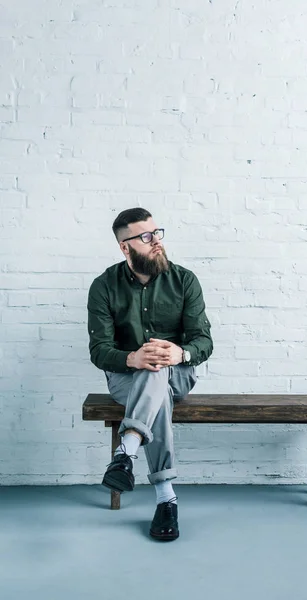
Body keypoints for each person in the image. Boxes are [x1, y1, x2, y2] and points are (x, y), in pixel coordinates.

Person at [87, 207, 213, 541]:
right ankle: (166, 499)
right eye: (145, 236)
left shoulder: (184, 280)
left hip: (179, 376)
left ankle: (125, 452)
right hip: (124, 379)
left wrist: (181, 353)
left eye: (157, 233)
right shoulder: (103, 286)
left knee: (158, 363)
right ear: (125, 247)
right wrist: (132, 357)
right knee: (151, 369)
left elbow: (204, 341)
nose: (156, 241)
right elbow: (99, 350)